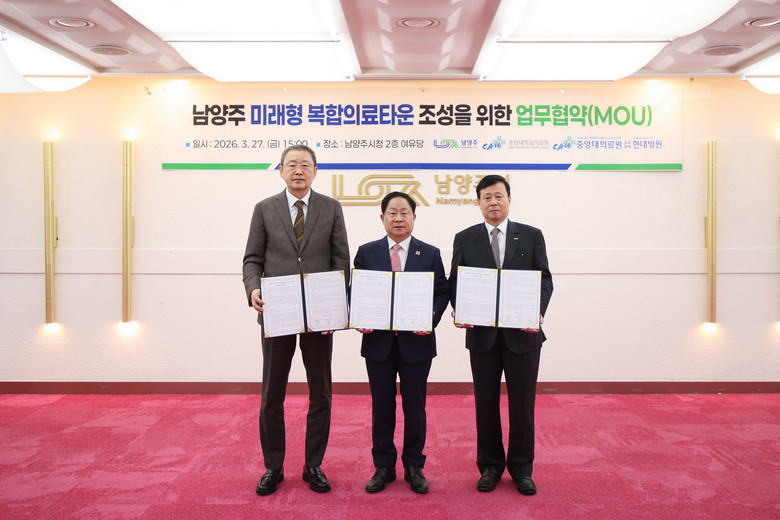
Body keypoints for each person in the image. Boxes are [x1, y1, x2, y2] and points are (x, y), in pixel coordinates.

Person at [242, 144, 350, 496]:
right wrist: (253, 288)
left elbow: (341, 260)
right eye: (292, 165)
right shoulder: (264, 208)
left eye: (305, 165)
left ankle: (313, 464)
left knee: (321, 392)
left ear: (316, 171)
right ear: (282, 171)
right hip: (277, 311)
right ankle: (273, 466)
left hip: (320, 316)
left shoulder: (331, 208)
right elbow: (252, 259)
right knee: (272, 393)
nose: (299, 170)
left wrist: (336, 306)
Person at [448, 174, 553, 495]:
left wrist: (537, 311)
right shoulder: (465, 238)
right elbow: (456, 281)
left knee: (523, 404)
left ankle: (522, 468)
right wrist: (460, 309)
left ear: (509, 200)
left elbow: (544, 279)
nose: (493, 202)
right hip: (482, 336)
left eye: (499, 196)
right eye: (487, 197)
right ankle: (490, 466)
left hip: (523, 334)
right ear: (478, 203)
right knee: (485, 403)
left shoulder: (531, 235)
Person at [353, 191, 449, 494]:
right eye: (392, 212)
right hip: (378, 343)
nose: (398, 218)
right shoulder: (366, 252)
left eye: (404, 212)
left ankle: (414, 465)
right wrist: (359, 317)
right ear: (382, 218)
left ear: (414, 218)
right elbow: (357, 291)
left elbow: (442, 291)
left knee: (415, 408)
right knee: (381, 407)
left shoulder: (429, 253)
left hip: (416, 344)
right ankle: (383, 465)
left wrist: (431, 317)